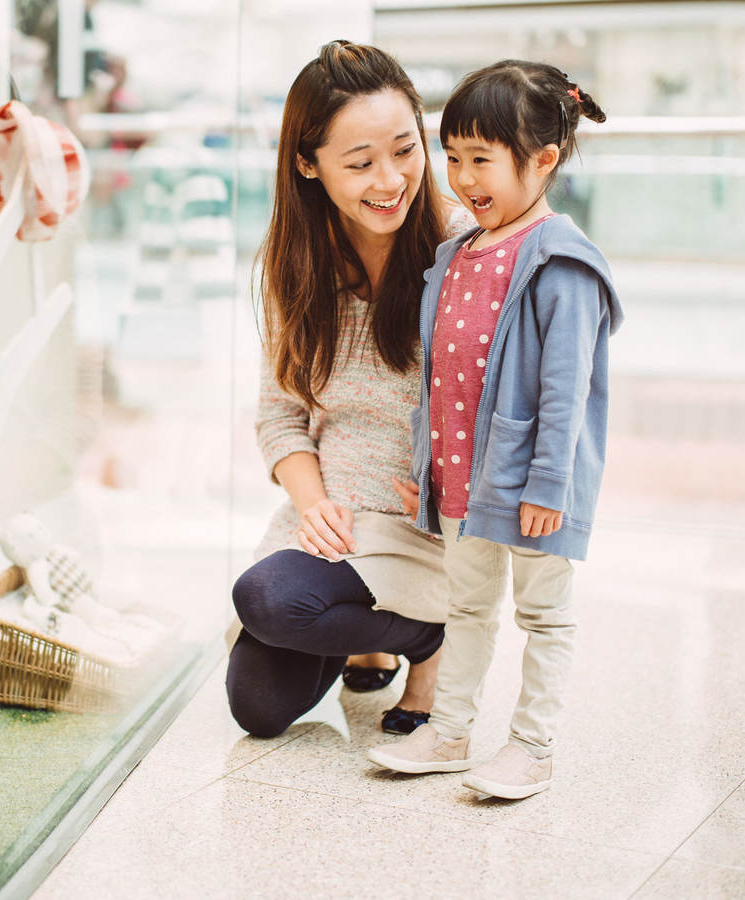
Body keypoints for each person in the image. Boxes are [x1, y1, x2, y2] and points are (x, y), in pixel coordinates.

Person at [366, 60, 622, 799]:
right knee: (468, 607)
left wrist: (549, 483)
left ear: (542, 160)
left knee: (544, 612)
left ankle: (533, 747)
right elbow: (439, 380)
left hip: (530, 483)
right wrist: (428, 463)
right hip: (461, 481)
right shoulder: (456, 256)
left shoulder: (560, 262)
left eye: (482, 159)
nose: (462, 177)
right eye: (452, 158)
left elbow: (566, 389)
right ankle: (449, 733)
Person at [226, 41, 474, 740]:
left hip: (420, 526)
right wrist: (313, 505)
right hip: (332, 524)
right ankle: (370, 633)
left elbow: (504, 407)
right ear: (308, 165)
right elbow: (279, 415)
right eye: (361, 164)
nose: (391, 180)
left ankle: (427, 638)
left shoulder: (464, 251)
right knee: (258, 706)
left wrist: (448, 488)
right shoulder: (294, 263)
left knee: (265, 597)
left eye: (405, 150)